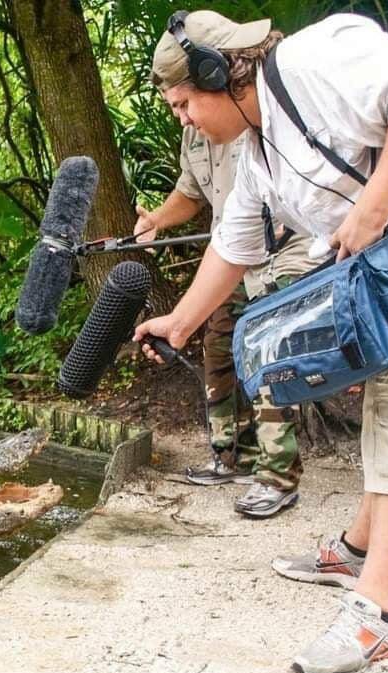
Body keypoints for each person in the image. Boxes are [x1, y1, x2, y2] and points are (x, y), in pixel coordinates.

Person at [135, 9, 388, 673]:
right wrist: (178, 321)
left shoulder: (318, 59)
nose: (182, 120)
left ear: (216, 74)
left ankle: (376, 616)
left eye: (182, 104)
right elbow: (234, 243)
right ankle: (354, 550)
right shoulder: (257, 151)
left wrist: (373, 208)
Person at [133, 125, 309, 517]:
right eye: (171, 107)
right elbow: (191, 192)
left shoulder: (254, 116)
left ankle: (277, 477)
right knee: (219, 348)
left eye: (183, 103)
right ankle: (234, 455)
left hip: (281, 255)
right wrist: (158, 220)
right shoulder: (192, 129)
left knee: (267, 355)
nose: (180, 117)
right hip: (230, 258)